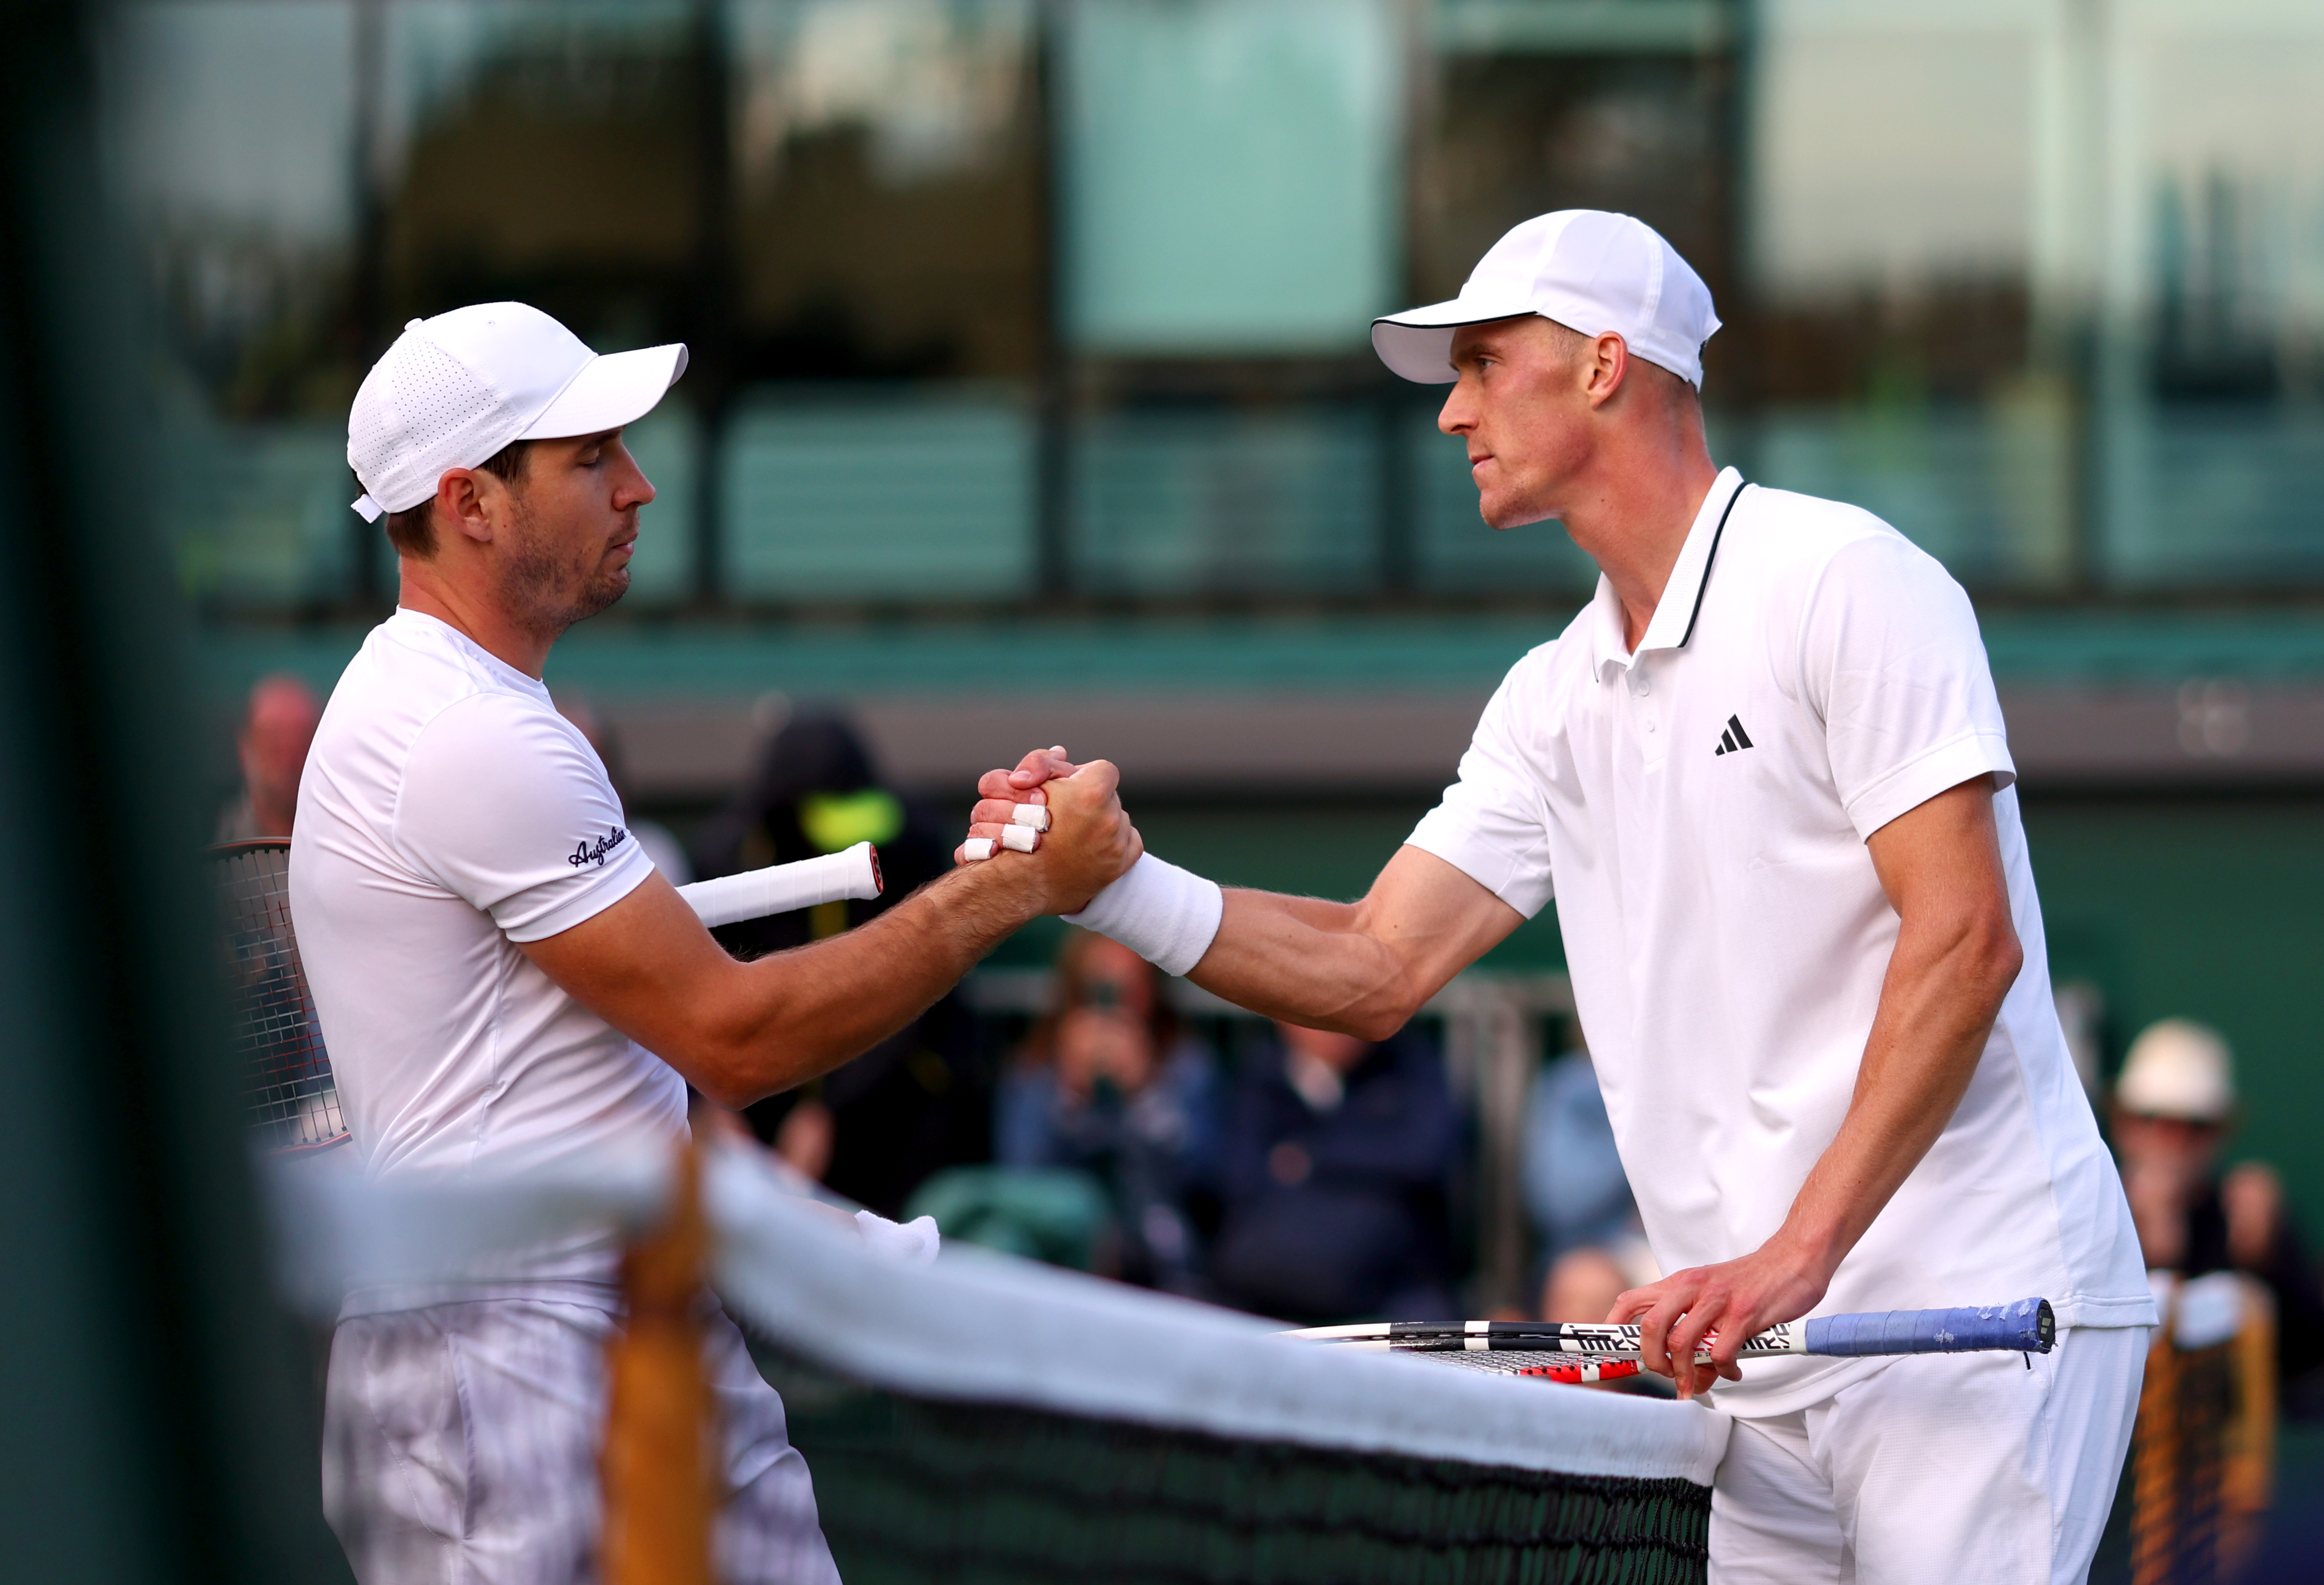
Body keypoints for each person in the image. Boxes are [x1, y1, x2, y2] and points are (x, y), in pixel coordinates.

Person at [968, 211, 2153, 1582]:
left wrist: (1792, 1251)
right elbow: (1372, 962)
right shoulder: (1549, 700)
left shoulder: (1846, 581)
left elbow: (1964, 938)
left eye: (1481, 364)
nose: (1450, 413)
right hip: (1759, 1368)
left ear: (1602, 364)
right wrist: (1113, 883)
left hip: (1970, 1315)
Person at [293, 302, 1137, 1584]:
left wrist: (833, 1238)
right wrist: (1008, 891)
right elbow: (736, 1036)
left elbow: (615, 1097)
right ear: (470, 501)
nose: (637, 487)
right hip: (505, 1366)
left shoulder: (491, 720)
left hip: (632, 1332)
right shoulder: (466, 737)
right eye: (588, 459)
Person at [692, 708, 989, 1217]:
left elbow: (917, 989)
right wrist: (711, 1106)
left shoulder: (910, 838)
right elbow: (696, 998)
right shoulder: (727, 860)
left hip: (891, 1103)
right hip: (761, 1113)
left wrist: (832, 1111)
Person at [2113, 1017, 2324, 1412]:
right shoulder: (2089, 1218)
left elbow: (2306, 1366)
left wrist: (2268, 1264)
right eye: (2156, 1121)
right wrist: (2149, 1261)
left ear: (2223, 1131)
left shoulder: (2246, 1215)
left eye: (2196, 1126)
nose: (2174, 1143)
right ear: (2123, 1123)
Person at [993, 928, 1220, 1292]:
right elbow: (1022, 1176)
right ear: (1074, 995)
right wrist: (1071, 1093)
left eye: (1129, 991)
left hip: (1159, 1258)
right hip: (1059, 1258)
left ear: (1152, 992)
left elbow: (1204, 1178)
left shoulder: (1186, 1064)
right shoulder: (1036, 1068)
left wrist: (1145, 1092)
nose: (1115, 1009)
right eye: (1100, 992)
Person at [1207, 1019, 1458, 1325]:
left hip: (1393, 1284)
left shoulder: (1410, 1064)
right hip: (1274, 1287)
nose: (1336, 1020)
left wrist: (1313, 1158)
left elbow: (1426, 1155)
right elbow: (1239, 1178)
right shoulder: (1262, 1075)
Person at [1522, 1044, 1658, 1325]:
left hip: (1685, 1262)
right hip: (1596, 1247)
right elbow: (1564, 1202)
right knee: (1587, 1285)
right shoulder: (1575, 1085)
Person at [215, 672, 322, 840]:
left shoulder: (347, 843)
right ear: (245, 747)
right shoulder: (209, 841)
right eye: (274, 743)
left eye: (303, 741)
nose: (289, 760)